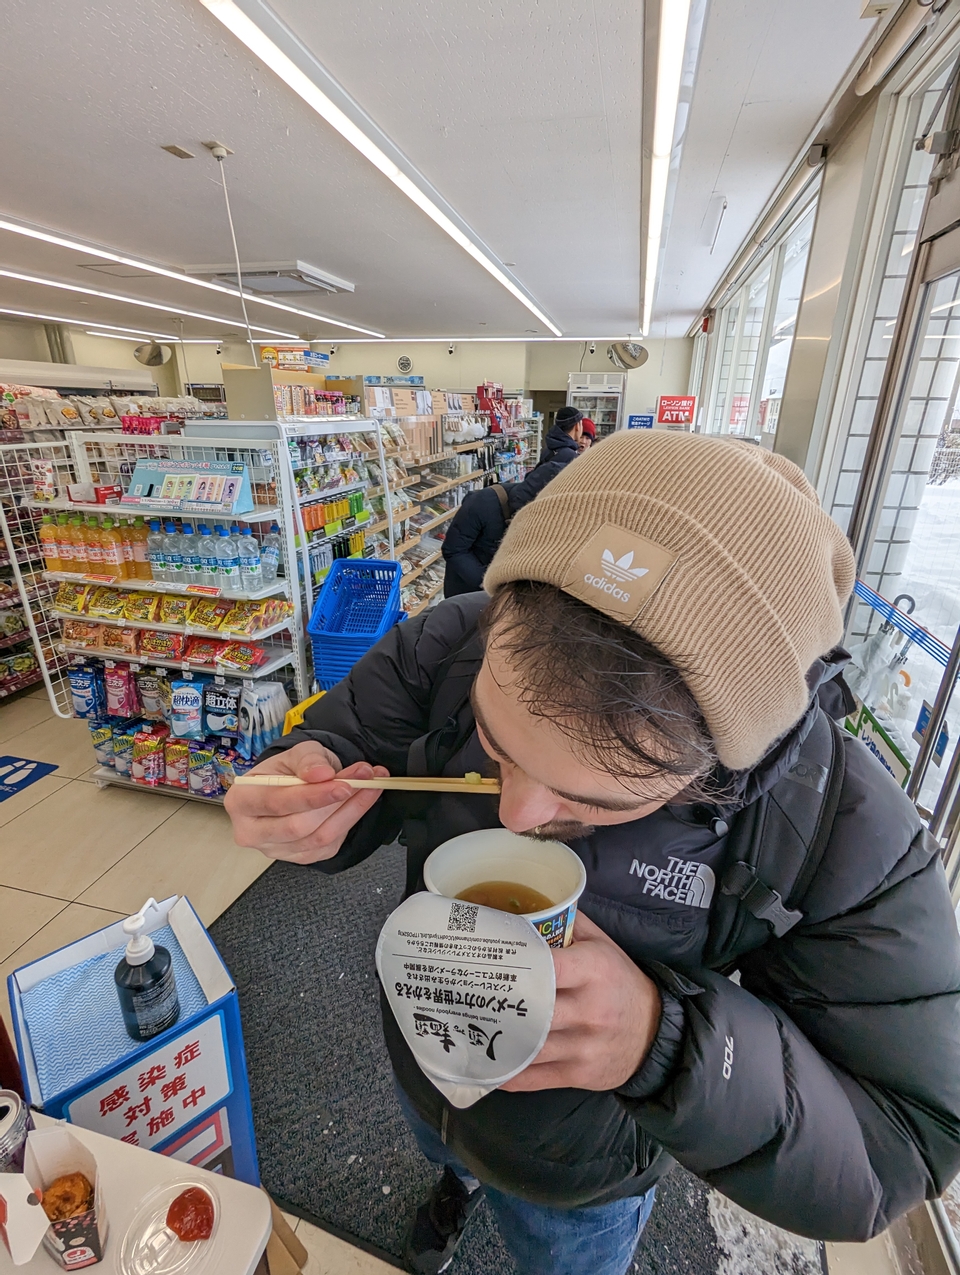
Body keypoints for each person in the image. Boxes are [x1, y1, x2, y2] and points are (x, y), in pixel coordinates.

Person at [225, 432, 960, 1275]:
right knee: (445, 1147)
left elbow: (900, 1145)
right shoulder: (452, 641)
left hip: (584, 1169)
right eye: (496, 746)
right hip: (427, 1052)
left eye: (592, 799)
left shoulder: (842, 828)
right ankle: (453, 1175)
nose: (516, 811)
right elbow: (347, 745)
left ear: (726, 761)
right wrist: (308, 794)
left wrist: (661, 1039)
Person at [440, 461, 565, 598]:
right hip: (468, 590)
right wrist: (487, 582)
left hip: (508, 593)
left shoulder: (554, 517)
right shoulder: (483, 502)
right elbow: (454, 550)